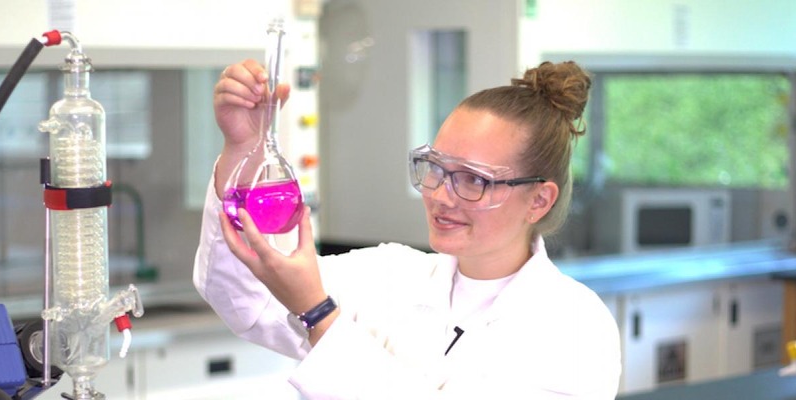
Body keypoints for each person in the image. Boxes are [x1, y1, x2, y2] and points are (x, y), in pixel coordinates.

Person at [194, 59, 620, 398]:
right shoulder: (391, 273)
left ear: (539, 199)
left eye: (473, 178)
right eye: (435, 168)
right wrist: (244, 148)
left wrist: (320, 314)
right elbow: (248, 299)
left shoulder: (576, 326)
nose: (440, 195)